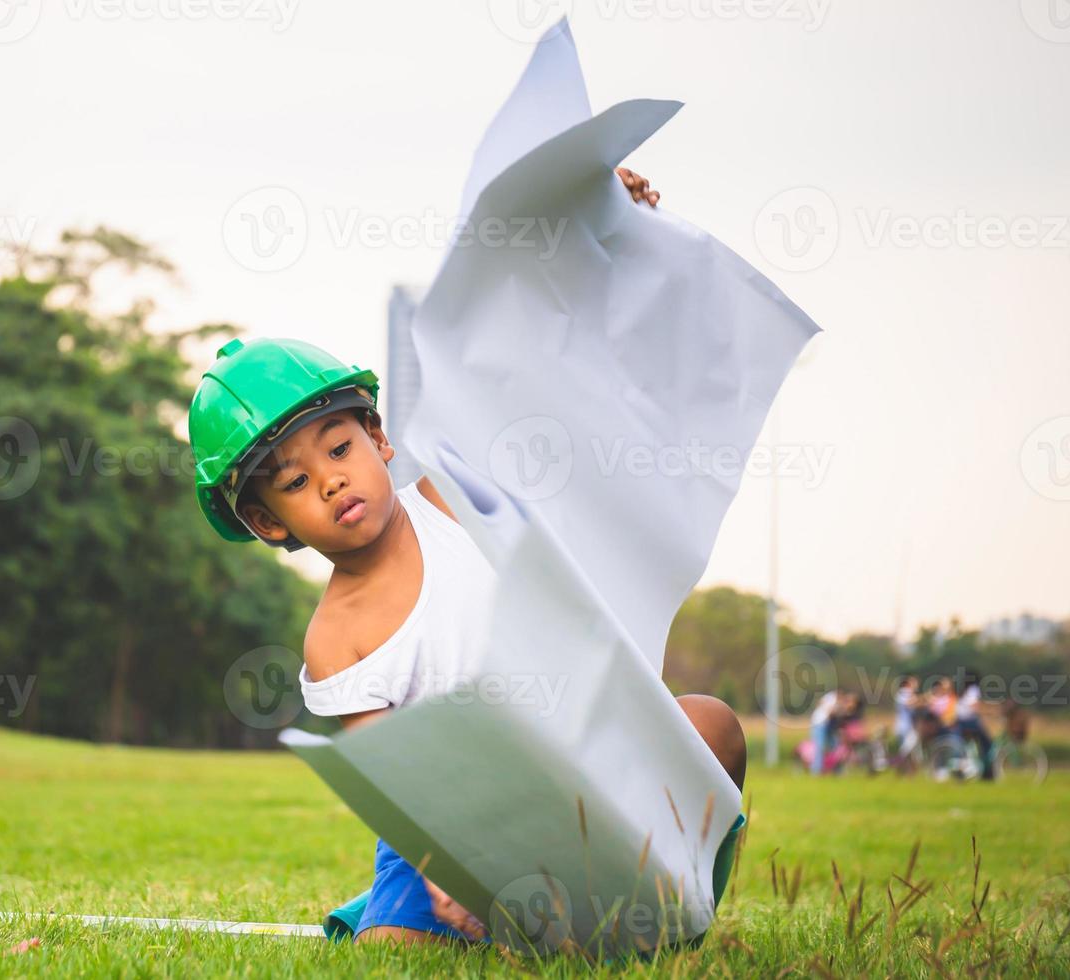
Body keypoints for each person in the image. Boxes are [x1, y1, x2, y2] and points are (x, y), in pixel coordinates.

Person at [187, 168, 747, 948]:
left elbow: (539, 371)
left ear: (380, 440)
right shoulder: (334, 639)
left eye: (341, 446)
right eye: (294, 483)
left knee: (711, 727)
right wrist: (443, 865)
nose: (331, 480)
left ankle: (664, 919)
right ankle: (401, 912)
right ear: (264, 521)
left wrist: (597, 228)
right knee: (397, 948)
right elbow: (394, 782)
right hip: (446, 820)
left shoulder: (453, 501)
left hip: (575, 754)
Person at [953, 670, 994, 781]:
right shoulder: (974, 689)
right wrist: (990, 711)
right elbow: (974, 706)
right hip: (969, 722)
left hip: (960, 722)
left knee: (973, 746)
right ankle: (987, 772)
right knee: (988, 744)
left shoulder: (963, 691)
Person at [808, 688, 839, 775]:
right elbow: (823, 705)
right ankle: (816, 770)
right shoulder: (832, 697)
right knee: (819, 747)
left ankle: (828, 768)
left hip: (827, 725)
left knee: (833, 747)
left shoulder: (832, 698)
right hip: (820, 724)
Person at [893, 676, 921, 763]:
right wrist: (926, 698)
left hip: (907, 726)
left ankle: (905, 765)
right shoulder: (904, 693)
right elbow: (910, 703)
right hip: (904, 726)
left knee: (910, 746)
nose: (916, 684)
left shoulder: (909, 694)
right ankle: (896, 761)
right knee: (908, 746)